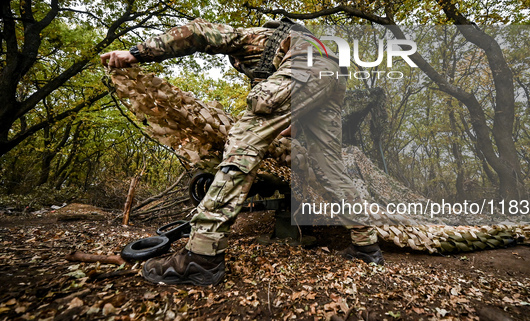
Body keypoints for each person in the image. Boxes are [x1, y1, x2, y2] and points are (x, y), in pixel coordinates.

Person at [100, 17, 384, 286]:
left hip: (308, 66)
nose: (239, 64)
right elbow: (304, 86)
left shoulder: (251, 37)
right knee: (330, 169)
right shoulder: (301, 48)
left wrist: (139, 52)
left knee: (243, 137)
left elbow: (197, 32)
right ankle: (366, 245)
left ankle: (202, 255)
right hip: (333, 75)